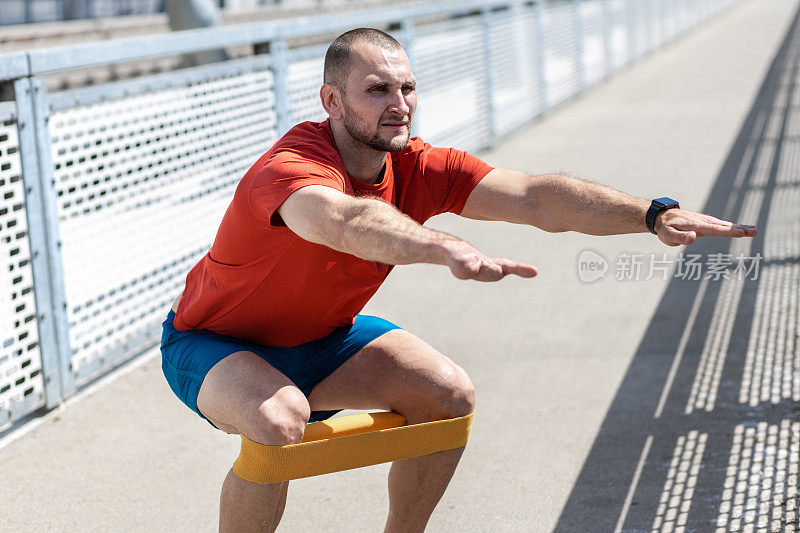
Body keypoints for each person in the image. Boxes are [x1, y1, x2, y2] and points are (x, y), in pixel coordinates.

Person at [159, 28, 758, 532]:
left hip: (323, 339)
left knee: (448, 396)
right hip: (214, 342)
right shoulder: (290, 167)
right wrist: (440, 245)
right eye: (377, 90)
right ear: (332, 101)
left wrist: (652, 215)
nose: (399, 103)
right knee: (277, 420)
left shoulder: (419, 164)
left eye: (407, 88)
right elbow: (341, 220)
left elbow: (534, 197)